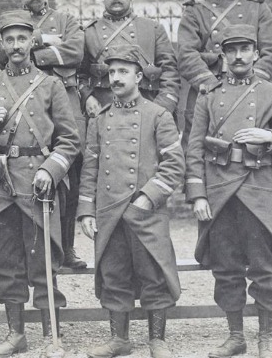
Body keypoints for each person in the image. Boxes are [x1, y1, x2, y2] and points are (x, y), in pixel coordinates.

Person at [185, 24, 272, 358]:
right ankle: (236, 336)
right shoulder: (208, 96)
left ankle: (266, 337)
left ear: (256, 53)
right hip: (220, 192)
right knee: (226, 268)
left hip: (258, 188)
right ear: (223, 55)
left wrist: (270, 137)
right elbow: (194, 148)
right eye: (232, 50)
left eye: (245, 49)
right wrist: (198, 194)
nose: (238, 56)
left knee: (265, 266)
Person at [0, 10, 80, 358]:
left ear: (32, 41)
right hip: (1, 184)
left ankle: (52, 336)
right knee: (7, 262)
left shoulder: (50, 85)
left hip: (38, 184)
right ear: (1, 44)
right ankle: (16, 335)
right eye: (10, 40)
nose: (16, 45)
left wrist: (51, 170)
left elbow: (70, 140)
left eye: (22, 39)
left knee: (43, 262)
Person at [77, 45, 185, 358]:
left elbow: (174, 164)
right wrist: (86, 210)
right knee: (114, 274)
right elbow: (90, 168)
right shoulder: (99, 120)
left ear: (139, 77)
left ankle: (157, 341)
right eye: (111, 72)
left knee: (154, 274)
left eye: (123, 71)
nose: (115, 77)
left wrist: (147, 199)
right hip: (109, 211)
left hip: (145, 212)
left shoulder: (158, 115)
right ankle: (119, 340)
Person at [0, 0, 87, 269]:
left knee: (68, 174)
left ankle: (68, 246)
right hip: (28, 105)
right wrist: (44, 40)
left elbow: (76, 52)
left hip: (64, 103)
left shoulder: (66, 19)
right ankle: (35, 247)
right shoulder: (13, 20)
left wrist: (32, 51)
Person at [177, 0, 272, 146]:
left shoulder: (257, 8)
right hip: (206, 92)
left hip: (248, 92)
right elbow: (186, 55)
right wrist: (212, 87)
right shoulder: (194, 11)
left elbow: (270, 53)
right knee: (196, 149)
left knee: (249, 149)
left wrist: (248, 85)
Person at [79, 0, 179, 117]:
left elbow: (170, 73)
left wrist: (160, 110)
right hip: (105, 113)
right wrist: (87, 97)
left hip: (148, 112)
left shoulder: (153, 29)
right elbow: (80, 75)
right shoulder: (89, 33)